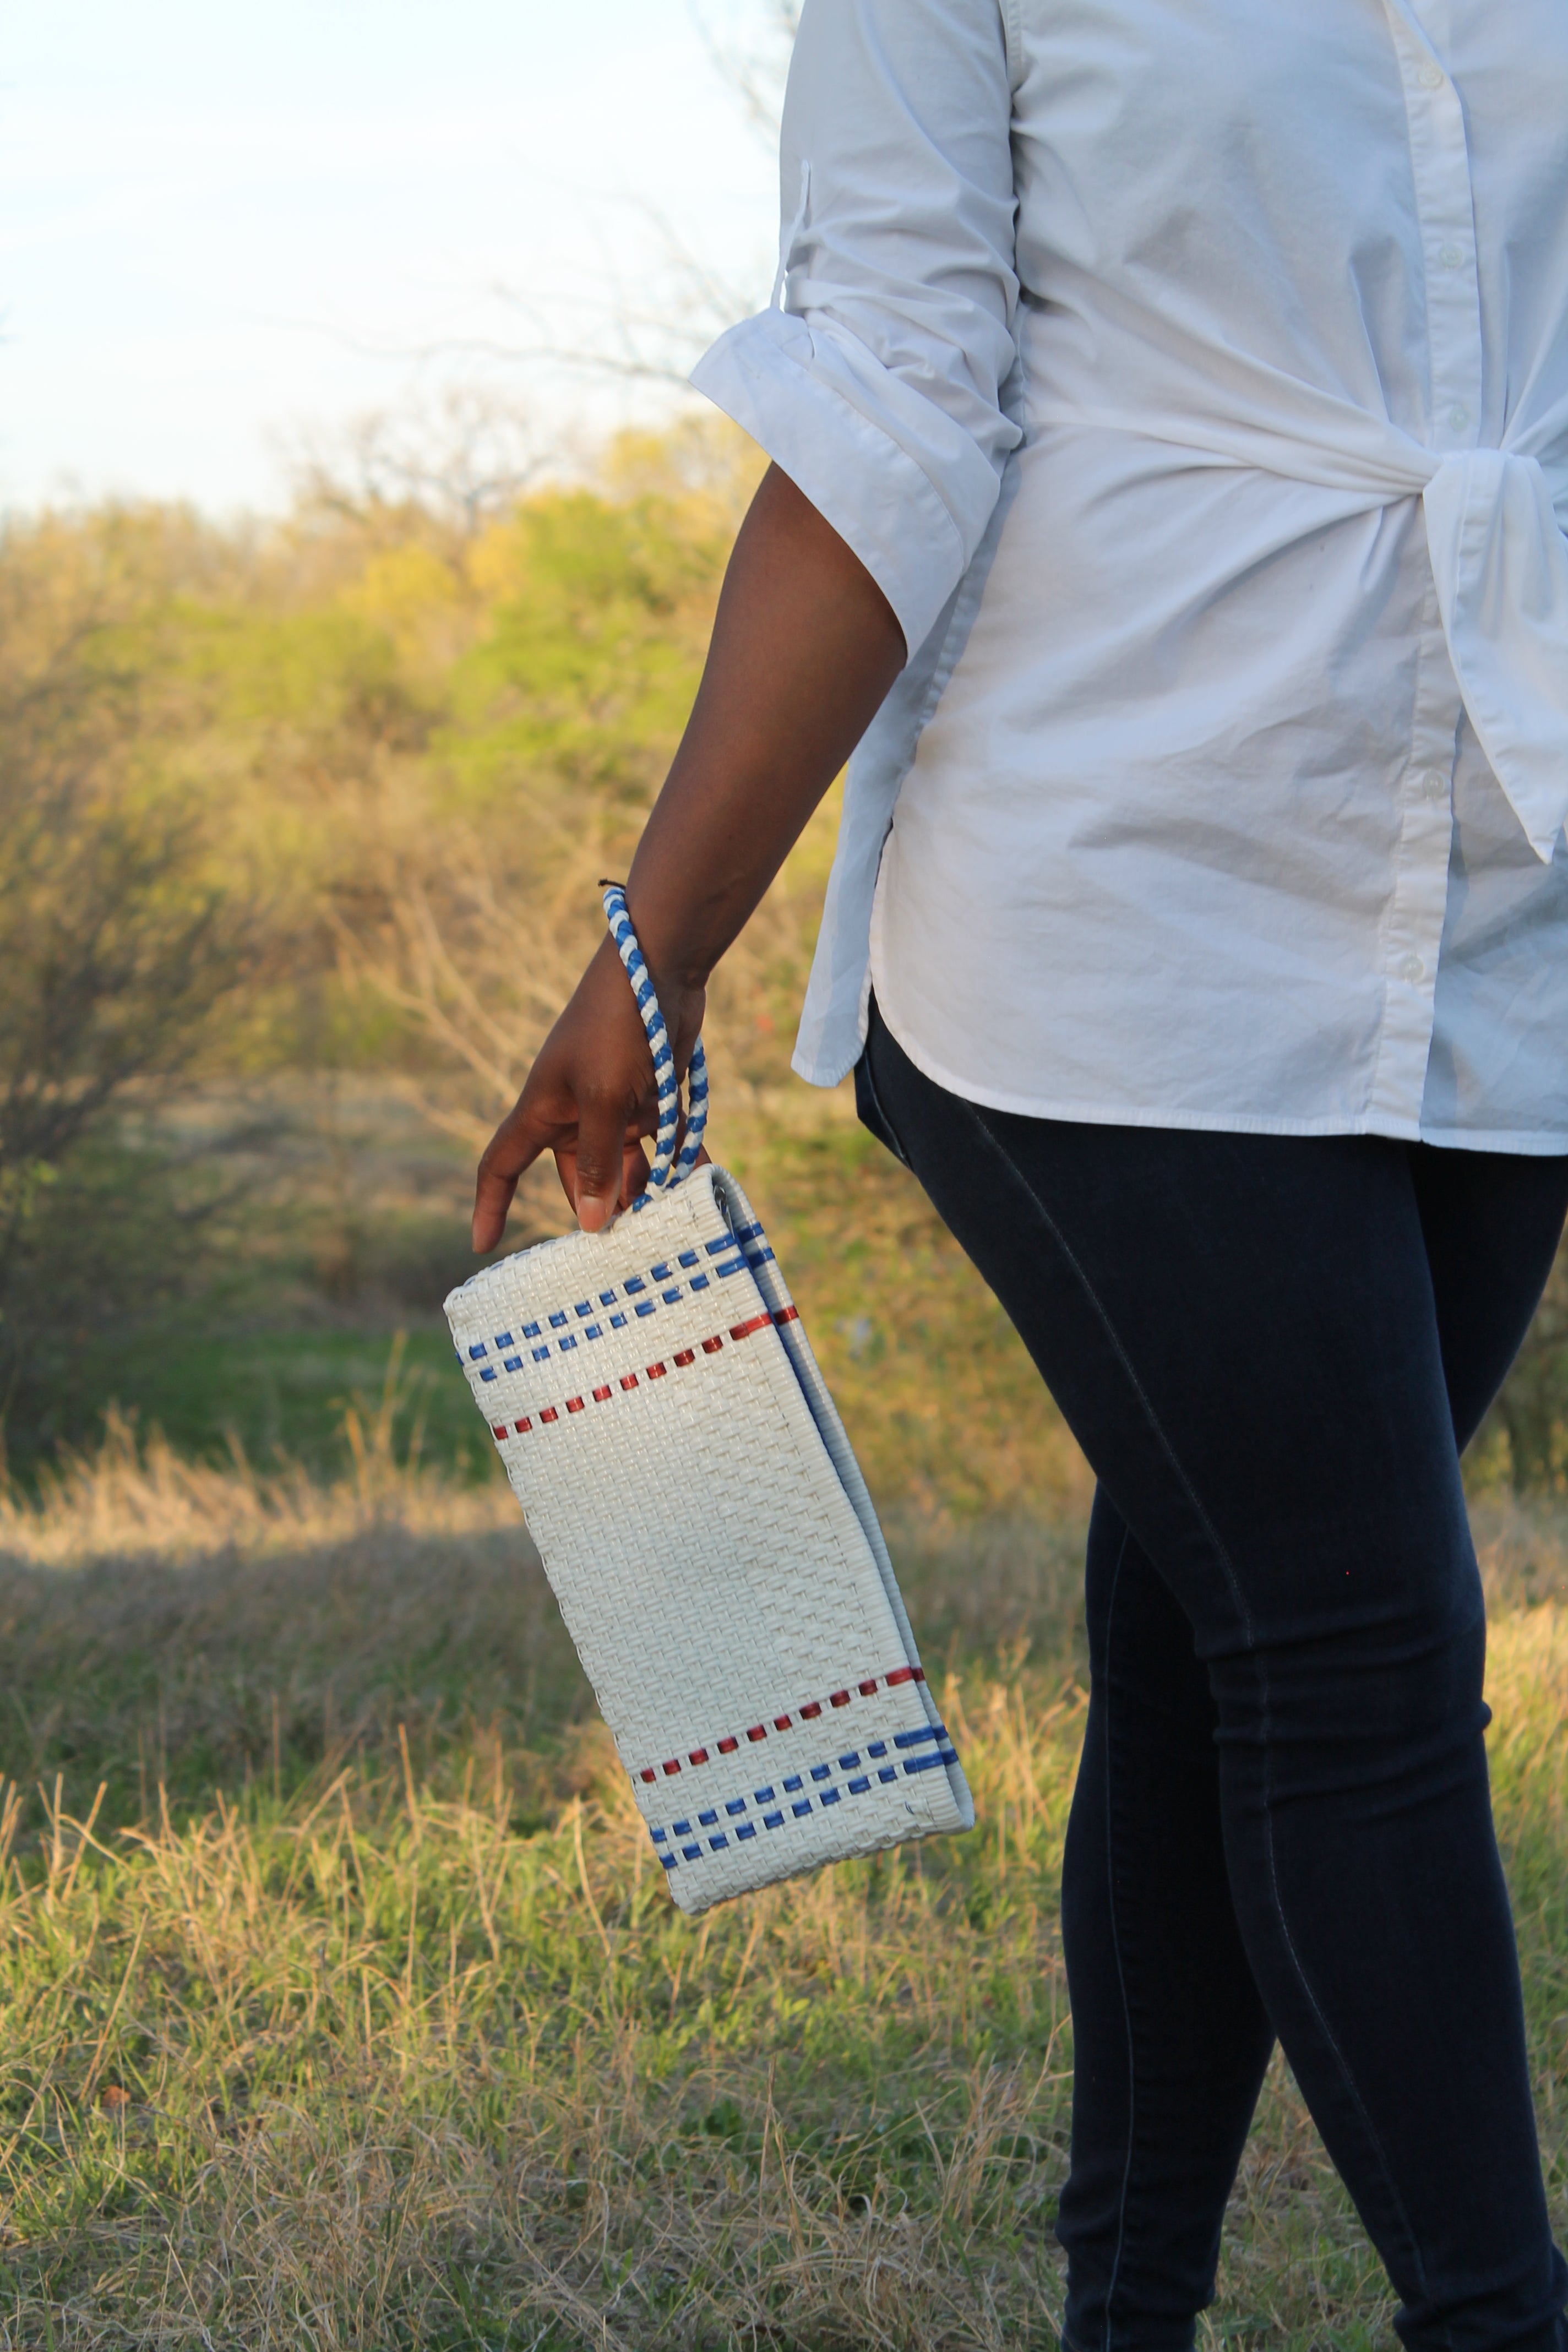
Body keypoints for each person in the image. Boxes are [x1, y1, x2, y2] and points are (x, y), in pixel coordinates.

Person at [472, 3, 1568, 2344]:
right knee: (1359, 1645)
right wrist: (649, 947)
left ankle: (1124, 2312)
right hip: (1108, 881)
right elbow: (884, 403)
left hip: (1499, 876)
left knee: (1213, 1645)